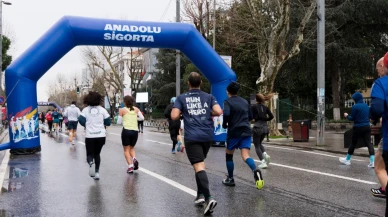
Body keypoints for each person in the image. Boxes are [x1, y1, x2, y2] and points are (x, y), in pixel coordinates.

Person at [171, 72, 222, 215]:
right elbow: (218, 111)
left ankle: (209, 197)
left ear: (188, 83)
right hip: (207, 136)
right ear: (200, 83)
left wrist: (184, 111)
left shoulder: (182, 98)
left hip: (192, 136)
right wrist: (208, 112)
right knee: (199, 165)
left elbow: (174, 115)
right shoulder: (208, 97)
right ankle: (200, 195)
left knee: (199, 166)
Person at [221, 82, 264, 190]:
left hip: (234, 132)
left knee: (229, 155)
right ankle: (255, 170)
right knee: (246, 156)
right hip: (246, 131)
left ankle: (230, 178)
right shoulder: (244, 101)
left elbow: (226, 114)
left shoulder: (227, 102)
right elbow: (251, 116)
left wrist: (225, 123)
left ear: (228, 91)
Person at [370, 52, 388, 215]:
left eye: (378, 69)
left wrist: (374, 117)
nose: (378, 73)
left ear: (383, 66)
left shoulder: (381, 83)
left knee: (379, 166)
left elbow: (376, 108)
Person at [78, 92, 111, 180]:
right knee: (97, 154)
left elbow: (80, 120)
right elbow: (108, 122)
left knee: (89, 154)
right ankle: (97, 173)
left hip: (90, 136)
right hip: (101, 135)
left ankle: (91, 163)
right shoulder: (102, 110)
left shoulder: (85, 110)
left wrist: (86, 125)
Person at [340, 92, 374, 167]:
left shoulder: (355, 107)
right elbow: (370, 116)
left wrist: (347, 116)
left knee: (353, 143)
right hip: (366, 126)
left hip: (358, 127)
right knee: (369, 143)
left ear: (356, 99)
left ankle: (347, 159)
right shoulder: (367, 106)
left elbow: (352, 118)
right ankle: (372, 161)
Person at [117, 95, 144, 173]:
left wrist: (124, 119)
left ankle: (130, 166)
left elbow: (118, 122)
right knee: (131, 148)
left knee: (126, 150)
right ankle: (134, 159)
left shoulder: (122, 110)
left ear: (125, 102)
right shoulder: (136, 109)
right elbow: (142, 118)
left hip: (126, 131)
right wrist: (135, 118)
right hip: (135, 131)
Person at [251, 93, 274, 169]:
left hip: (257, 127)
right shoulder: (265, 107)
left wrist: (254, 119)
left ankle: (263, 162)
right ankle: (265, 154)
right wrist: (265, 119)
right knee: (259, 143)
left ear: (256, 99)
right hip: (265, 128)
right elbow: (272, 116)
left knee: (256, 145)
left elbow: (250, 117)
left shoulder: (253, 107)